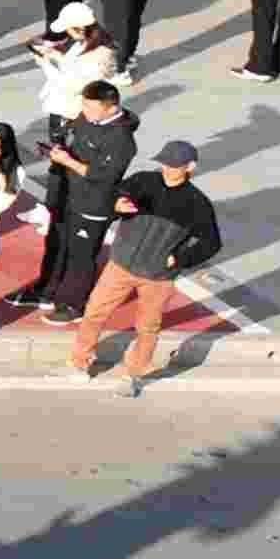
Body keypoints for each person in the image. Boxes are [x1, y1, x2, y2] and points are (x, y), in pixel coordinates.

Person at [76, 139, 218, 391]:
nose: (166, 169)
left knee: (148, 327)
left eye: (173, 165)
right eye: (164, 162)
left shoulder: (197, 204)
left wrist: (179, 259)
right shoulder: (143, 181)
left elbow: (211, 243)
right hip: (120, 264)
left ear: (190, 167)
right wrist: (117, 205)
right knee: (94, 311)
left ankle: (133, 374)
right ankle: (80, 362)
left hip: (158, 276)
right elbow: (115, 195)